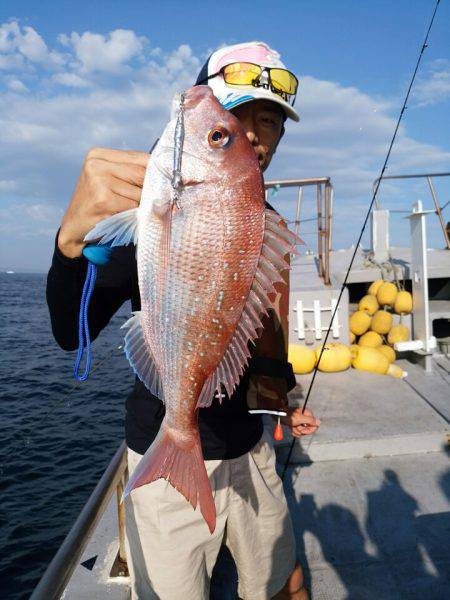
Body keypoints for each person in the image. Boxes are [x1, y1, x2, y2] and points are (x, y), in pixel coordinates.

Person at [47, 41, 321, 600]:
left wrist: (283, 401)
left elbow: (255, 335)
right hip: (163, 447)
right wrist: (71, 243)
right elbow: (68, 331)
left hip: (252, 447)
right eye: (233, 120)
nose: (254, 134)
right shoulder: (160, 211)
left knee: (282, 582)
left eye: (270, 122)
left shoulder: (263, 227)